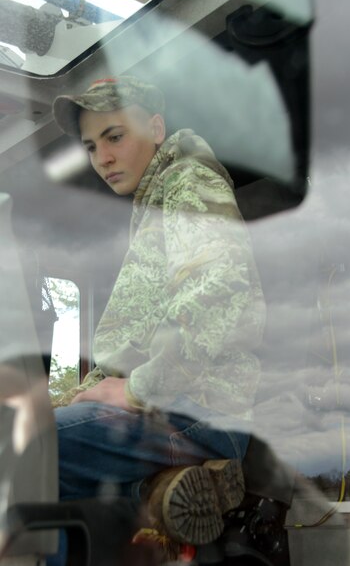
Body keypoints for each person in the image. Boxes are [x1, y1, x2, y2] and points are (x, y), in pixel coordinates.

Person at [51, 76, 266, 558]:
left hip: (201, 411)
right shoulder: (153, 206)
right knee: (28, 435)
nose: (102, 158)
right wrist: (82, 394)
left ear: (156, 127)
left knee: (29, 452)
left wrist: (134, 389)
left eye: (115, 136)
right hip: (176, 405)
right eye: (90, 145)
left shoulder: (187, 182)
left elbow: (221, 288)